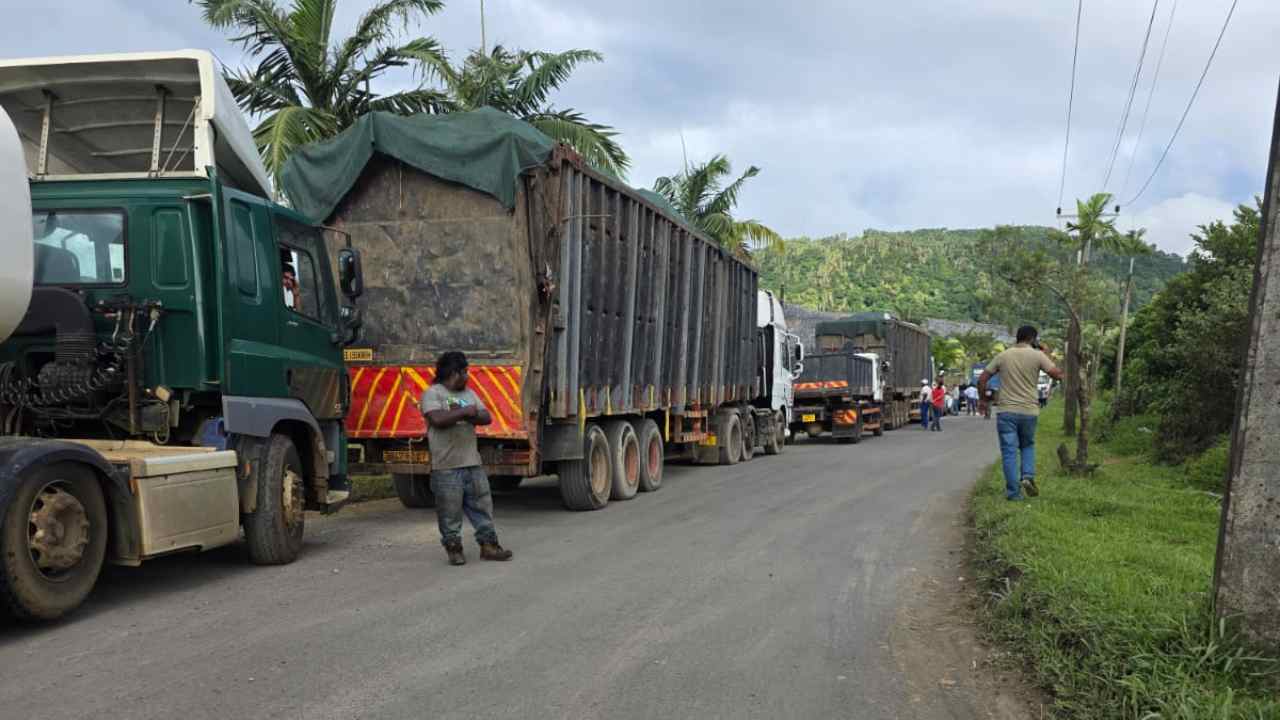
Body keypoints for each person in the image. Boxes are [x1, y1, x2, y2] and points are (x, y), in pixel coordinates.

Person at [420, 351, 513, 565]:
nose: (467, 376)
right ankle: (454, 549)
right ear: (455, 373)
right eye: (465, 372)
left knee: (482, 506)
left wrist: (468, 412)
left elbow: (486, 417)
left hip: (472, 462)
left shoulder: (469, 393)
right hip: (446, 466)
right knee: (449, 512)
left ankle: (489, 546)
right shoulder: (433, 394)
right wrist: (465, 413)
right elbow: (437, 419)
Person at [978, 326, 1065, 501]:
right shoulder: (1038, 355)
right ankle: (1027, 476)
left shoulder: (1003, 355)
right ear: (1033, 339)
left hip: (1006, 411)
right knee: (1027, 445)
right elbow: (1058, 375)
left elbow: (982, 379)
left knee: (1009, 451)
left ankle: (1014, 493)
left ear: (1017, 338)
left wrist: (982, 400)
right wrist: (1045, 354)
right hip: (1029, 411)